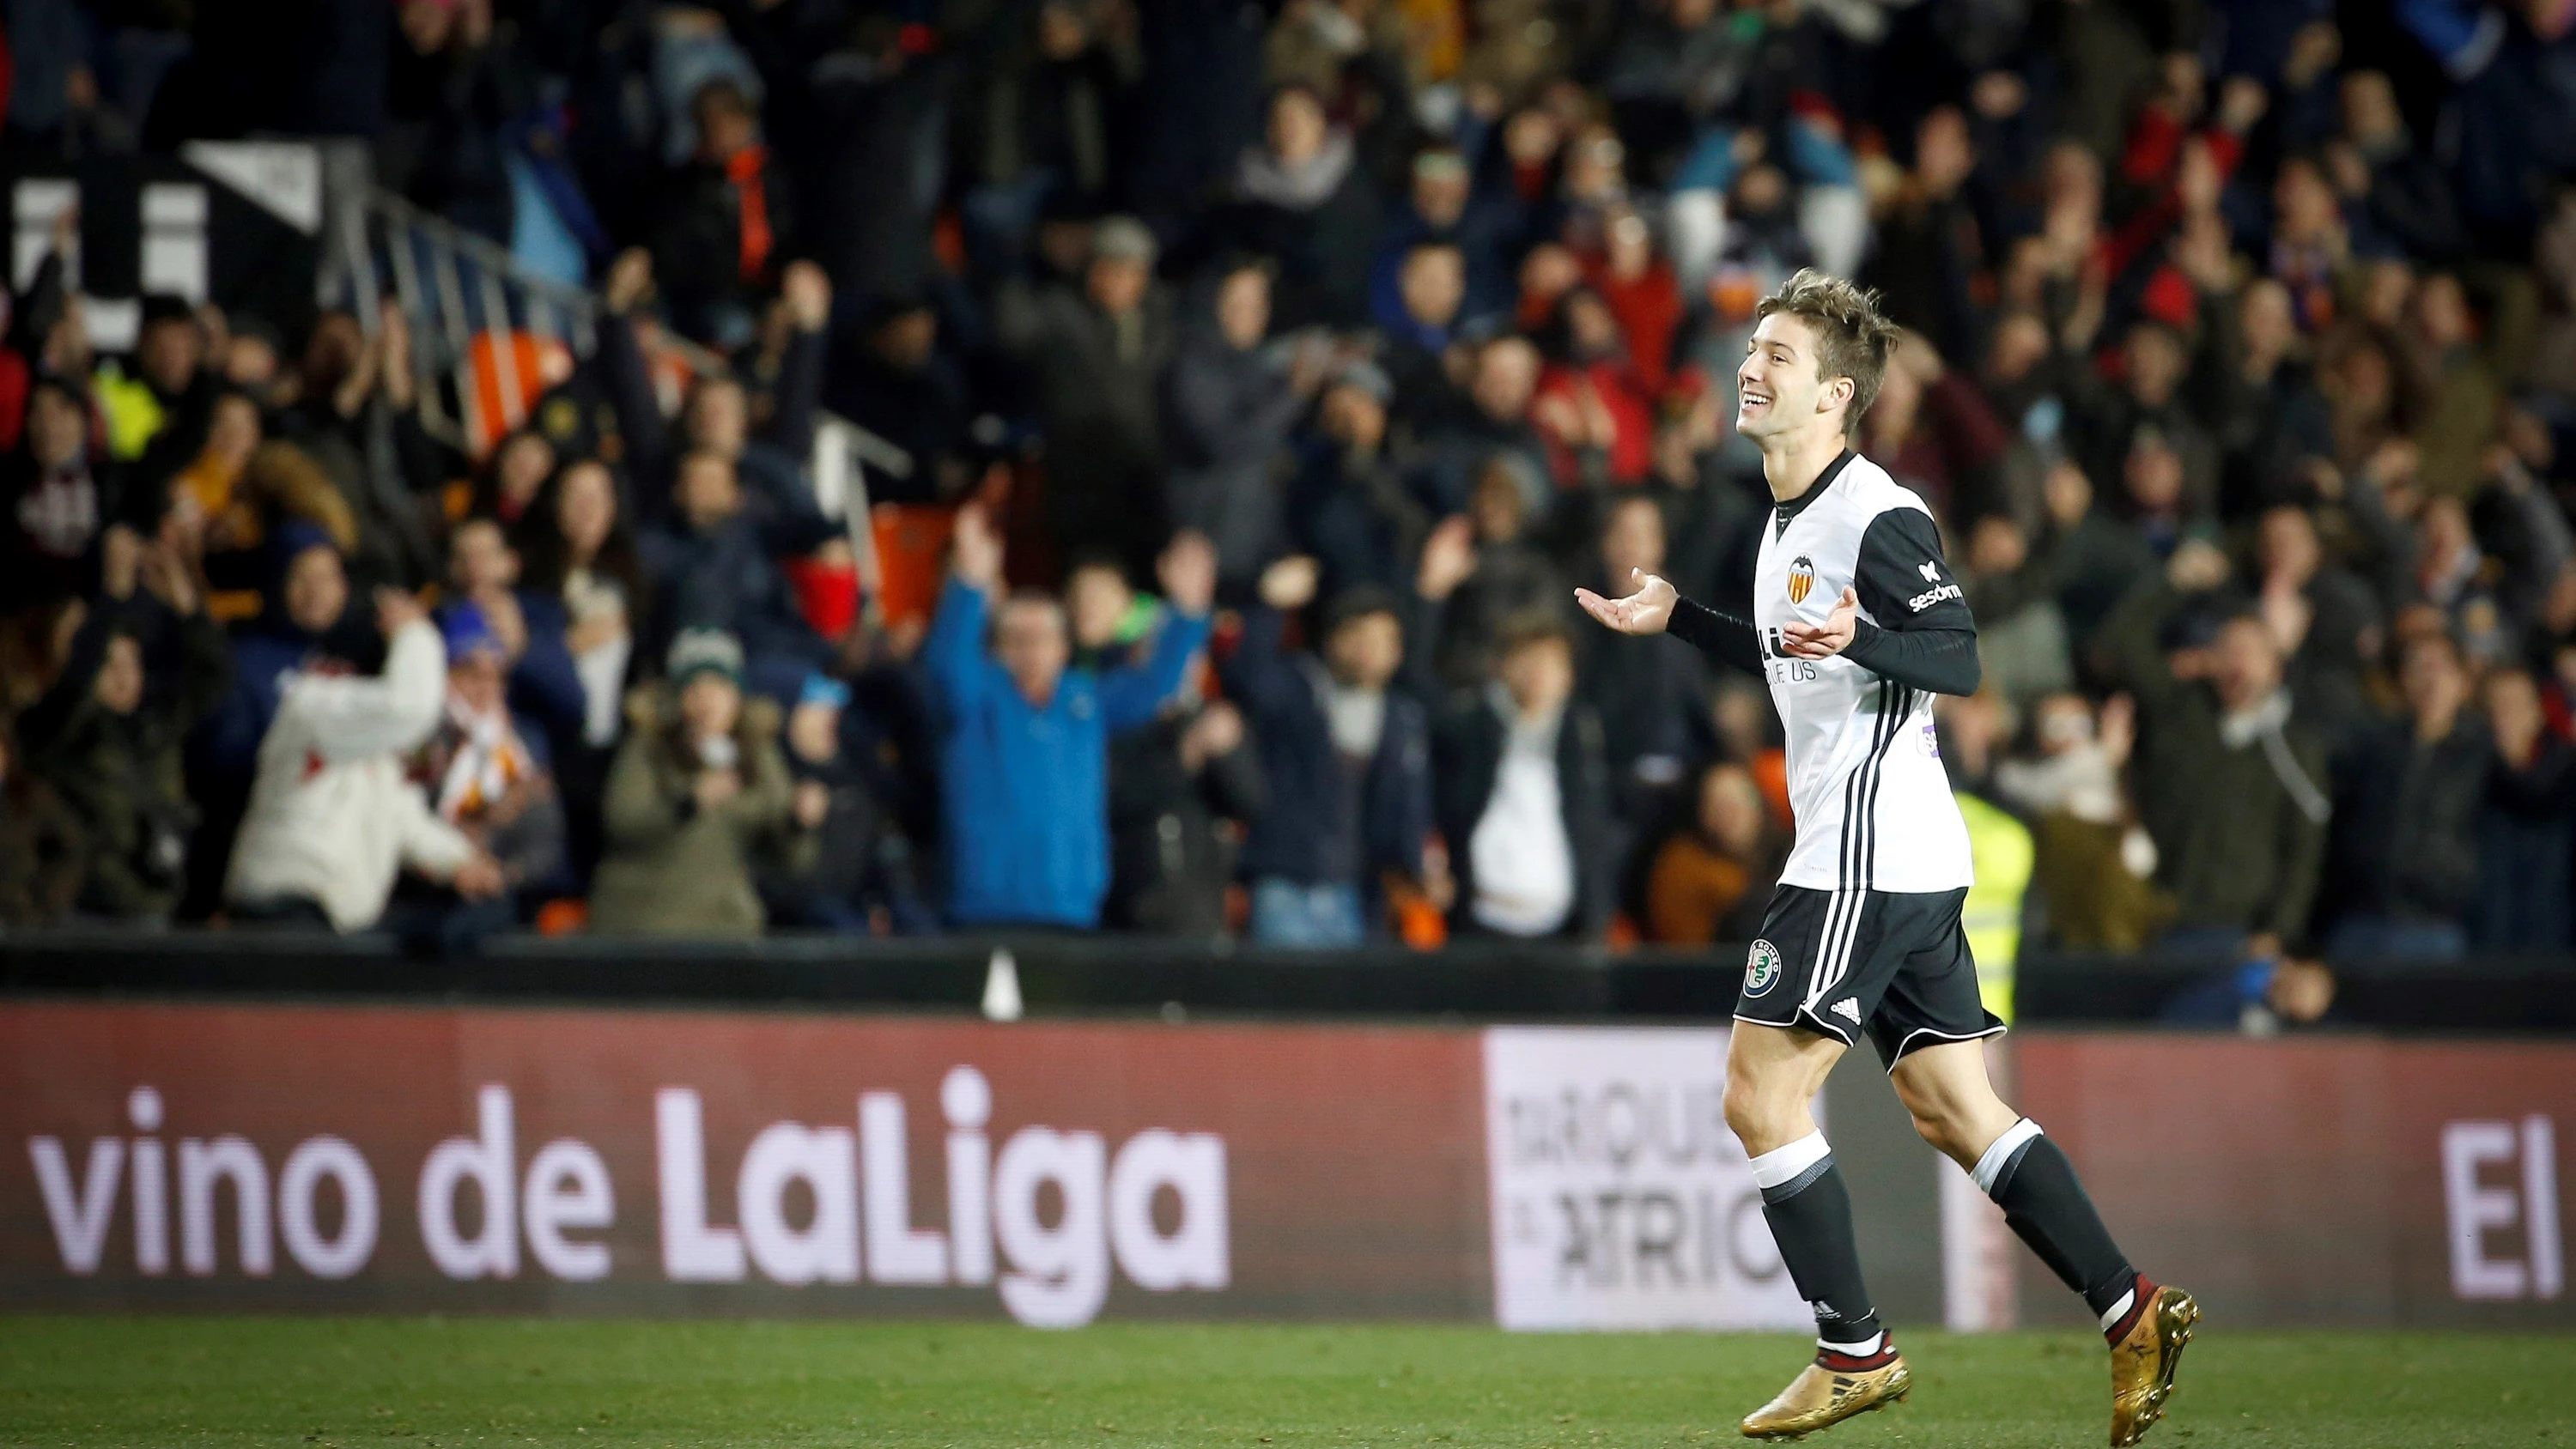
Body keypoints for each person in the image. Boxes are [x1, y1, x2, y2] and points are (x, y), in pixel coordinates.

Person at [1576, 270, 2193, 1446]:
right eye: (1751, 348)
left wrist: (1870, 634)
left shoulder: (1878, 512)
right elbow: (1792, 658)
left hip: (1866, 850)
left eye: (1779, 356)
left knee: (1760, 1093)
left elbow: (1959, 661)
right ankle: (2134, 1311)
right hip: (1903, 849)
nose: (1751, 368)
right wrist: (1684, 621)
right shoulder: (1782, 515)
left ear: (1837, 393)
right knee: (1955, 1107)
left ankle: (1854, 1351)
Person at [923, 503, 1215, 931]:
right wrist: (968, 585)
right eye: (1017, 638)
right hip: (983, 907)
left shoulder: (1084, 700)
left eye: (1043, 637)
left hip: (1071, 907)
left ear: (1064, 647)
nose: (1032, 649)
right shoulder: (976, 699)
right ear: (997, 647)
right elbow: (946, 664)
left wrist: (1187, 614)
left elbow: (1153, 686)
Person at [223, 587, 506, 932]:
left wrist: (460, 860)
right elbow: (409, 706)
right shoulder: (312, 706)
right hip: (279, 908)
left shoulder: (376, 747)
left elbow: (406, 820)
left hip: (329, 922)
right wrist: (415, 632)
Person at [1224, 556, 1437, 946]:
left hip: (1358, 895)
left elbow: (1406, 808)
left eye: (1381, 640)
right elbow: (1247, 678)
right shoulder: (1301, 690)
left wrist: (1414, 870)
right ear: (1332, 639)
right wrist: (1268, 606)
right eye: (1357, 635)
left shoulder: (1401, 719)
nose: (1367, 650)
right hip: (1286, 886)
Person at [589, 629, 806, 938]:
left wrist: (798, 821)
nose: (706, 701)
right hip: (645, 922)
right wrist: (688, 803)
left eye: (718, 687)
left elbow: (792, 857)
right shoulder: (650, 746)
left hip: (726, 925)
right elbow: (622, 822)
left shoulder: (757, 752)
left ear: (737, 696)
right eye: (694, 689)